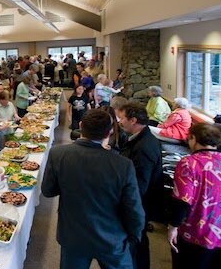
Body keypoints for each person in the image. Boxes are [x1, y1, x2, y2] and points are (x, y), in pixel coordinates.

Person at [42, 109, 145, 269]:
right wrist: (133, 238)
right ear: (109, 132)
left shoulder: (58, 154)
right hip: (111, 238)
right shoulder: (123, 165)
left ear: (81, 126)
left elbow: (48, 191)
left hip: (73, 235)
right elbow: (134, 210)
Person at [168, 123, 221, 269]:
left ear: (193, 138)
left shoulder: (189, 163)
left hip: (200, 233)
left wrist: (173, 227)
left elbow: (183, 201)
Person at [118, 102, 163, 269]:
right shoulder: (140, 138)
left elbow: (140, 184)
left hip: (140, 204)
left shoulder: (144, 147)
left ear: (133, 120)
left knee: (137, 244)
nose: (120, 121)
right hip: (140, 203)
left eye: (122, 118)